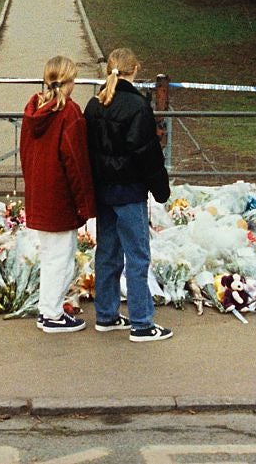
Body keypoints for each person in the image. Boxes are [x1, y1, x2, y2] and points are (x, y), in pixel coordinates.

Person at [84, 47, 173, 342]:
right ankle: (142, 322)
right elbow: (147, 153)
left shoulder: (95, 105)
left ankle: (106, 314)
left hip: (103, 190)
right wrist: (161, 189)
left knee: (107, 253)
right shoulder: (137, 107)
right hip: (130, 191)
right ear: (135, 70)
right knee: (137, 255)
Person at [20, 55, 96, 333]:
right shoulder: (70, 113)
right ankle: (51, 313)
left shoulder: (33, 109)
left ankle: (48, 309)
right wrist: (85, 203)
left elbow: (25, 153)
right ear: (69, 81)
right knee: (61, 257)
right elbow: (75, 162)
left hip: (39, 191)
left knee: (50, 256)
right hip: (61, 195)